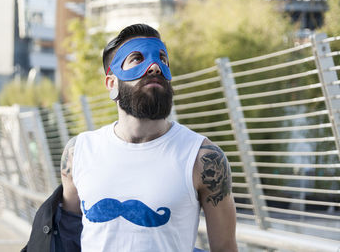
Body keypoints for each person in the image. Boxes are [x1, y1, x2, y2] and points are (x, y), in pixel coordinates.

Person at [23, 23, 237, 252]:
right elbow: (65, 238)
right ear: (111, 83)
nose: (155, 66)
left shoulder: (203, 158)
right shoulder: (78, 152)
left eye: (162, 59)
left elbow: (225, 248)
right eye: (137, 59)